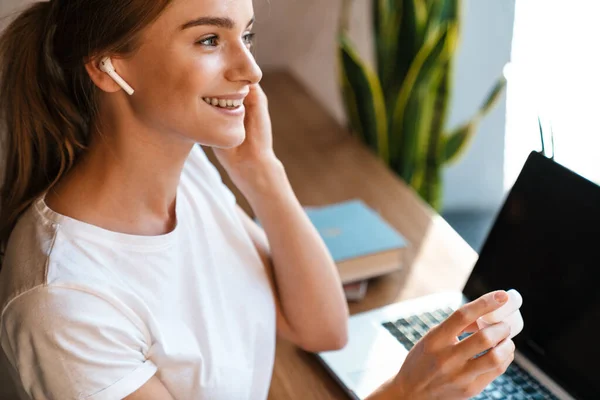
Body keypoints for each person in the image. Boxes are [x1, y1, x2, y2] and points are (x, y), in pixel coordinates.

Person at [0, 0, 515, 399]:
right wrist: (407, 391)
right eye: (209, 39)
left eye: (246, 35)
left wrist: (261, 173)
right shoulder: (67, 304)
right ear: (108, 66)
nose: (251, 69)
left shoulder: (189, 171)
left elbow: (322, 327)